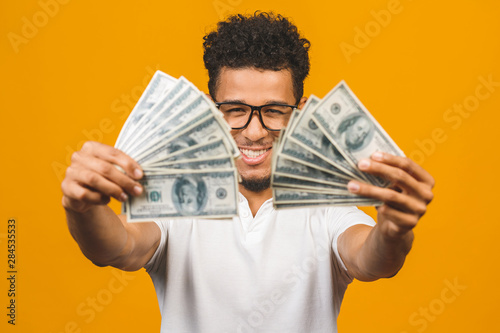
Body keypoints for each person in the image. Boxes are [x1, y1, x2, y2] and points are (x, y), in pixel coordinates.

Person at [61, 12, 434, 332]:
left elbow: (370, 258)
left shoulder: (325, 208)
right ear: (209, 111)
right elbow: (118, 247)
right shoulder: (178, 202)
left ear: (300, 113)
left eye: (273, 110)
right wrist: (83, 209)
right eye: (235, 109)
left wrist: (392, 230)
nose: (254, 132)